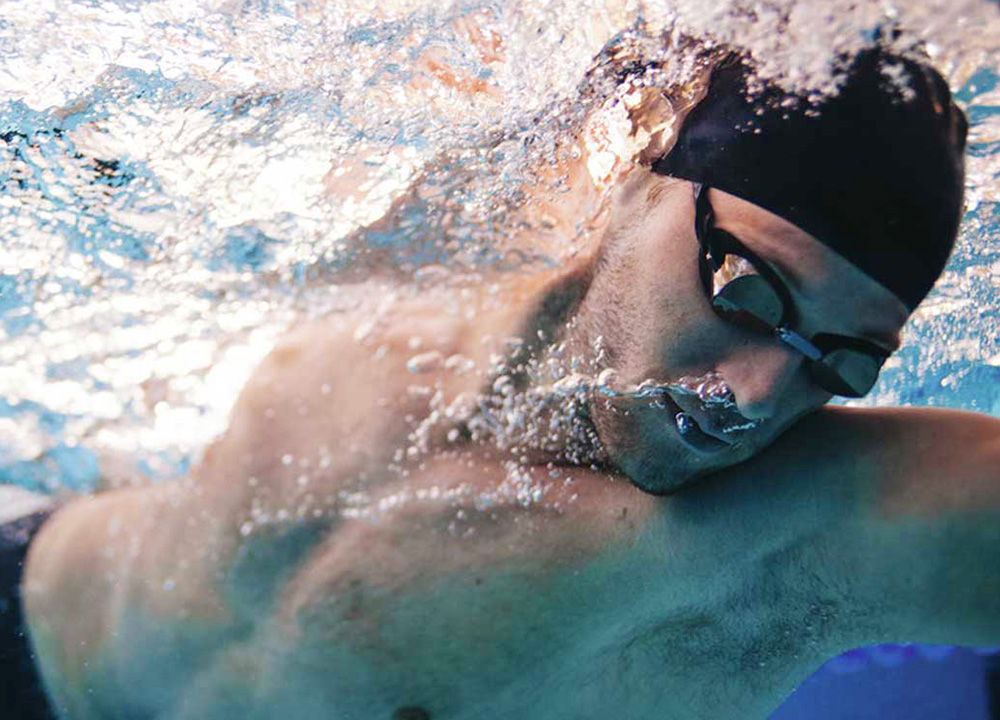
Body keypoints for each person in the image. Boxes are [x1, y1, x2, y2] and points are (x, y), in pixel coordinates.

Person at [3, 43, 995, 720]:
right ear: (633, 183)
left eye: (840, 363)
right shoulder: (449, 233)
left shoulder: (788, 537)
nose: (758, 393)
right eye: (743, 287)